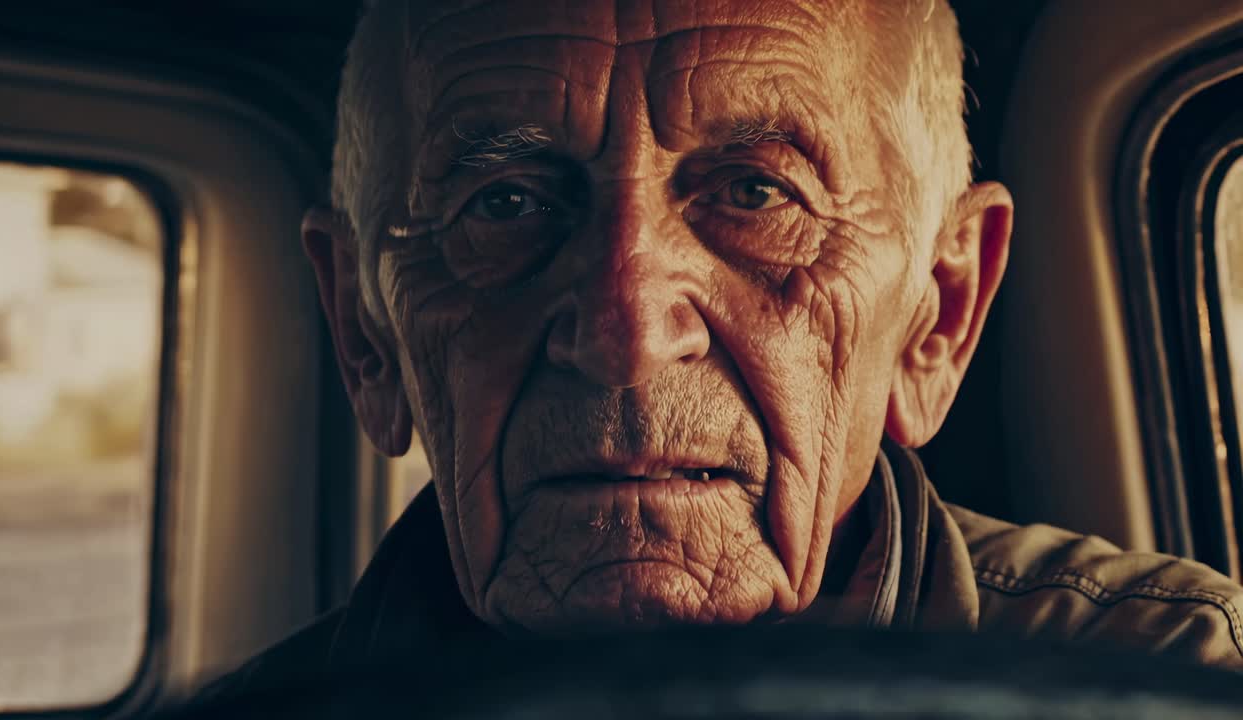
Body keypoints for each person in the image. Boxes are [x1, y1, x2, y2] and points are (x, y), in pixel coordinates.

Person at [213, 0, 1243, 692]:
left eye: (756, 193)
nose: (625, 332)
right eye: (506, 202)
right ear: (364, 333)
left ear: (938, 313)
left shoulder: (1188, 678)